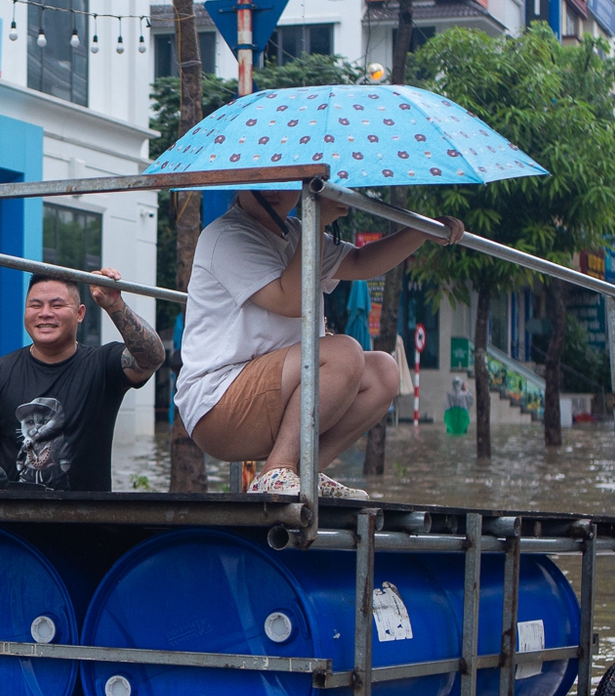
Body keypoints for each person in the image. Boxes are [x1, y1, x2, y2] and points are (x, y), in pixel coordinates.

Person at [175, 189, 464, 498]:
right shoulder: (226, 236)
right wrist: (320, 219)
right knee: (344, 353)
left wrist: (422, 230)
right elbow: (290, 300)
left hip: (274, 390)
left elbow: (360, 261)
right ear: (242, 182)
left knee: (384, 371)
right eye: (262, 181)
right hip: (218, 405)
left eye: (286, 180)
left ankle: (305, 473)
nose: (273, 190)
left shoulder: (296, 231)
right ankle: (277, 469)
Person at [0, 268, 166, 490]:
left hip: (86, 518)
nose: (45, 313)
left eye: (57, 305)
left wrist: (114, 305)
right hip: (14, 519)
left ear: (80, 313)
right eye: (35, 305)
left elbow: (152, 358)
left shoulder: (103, 365)